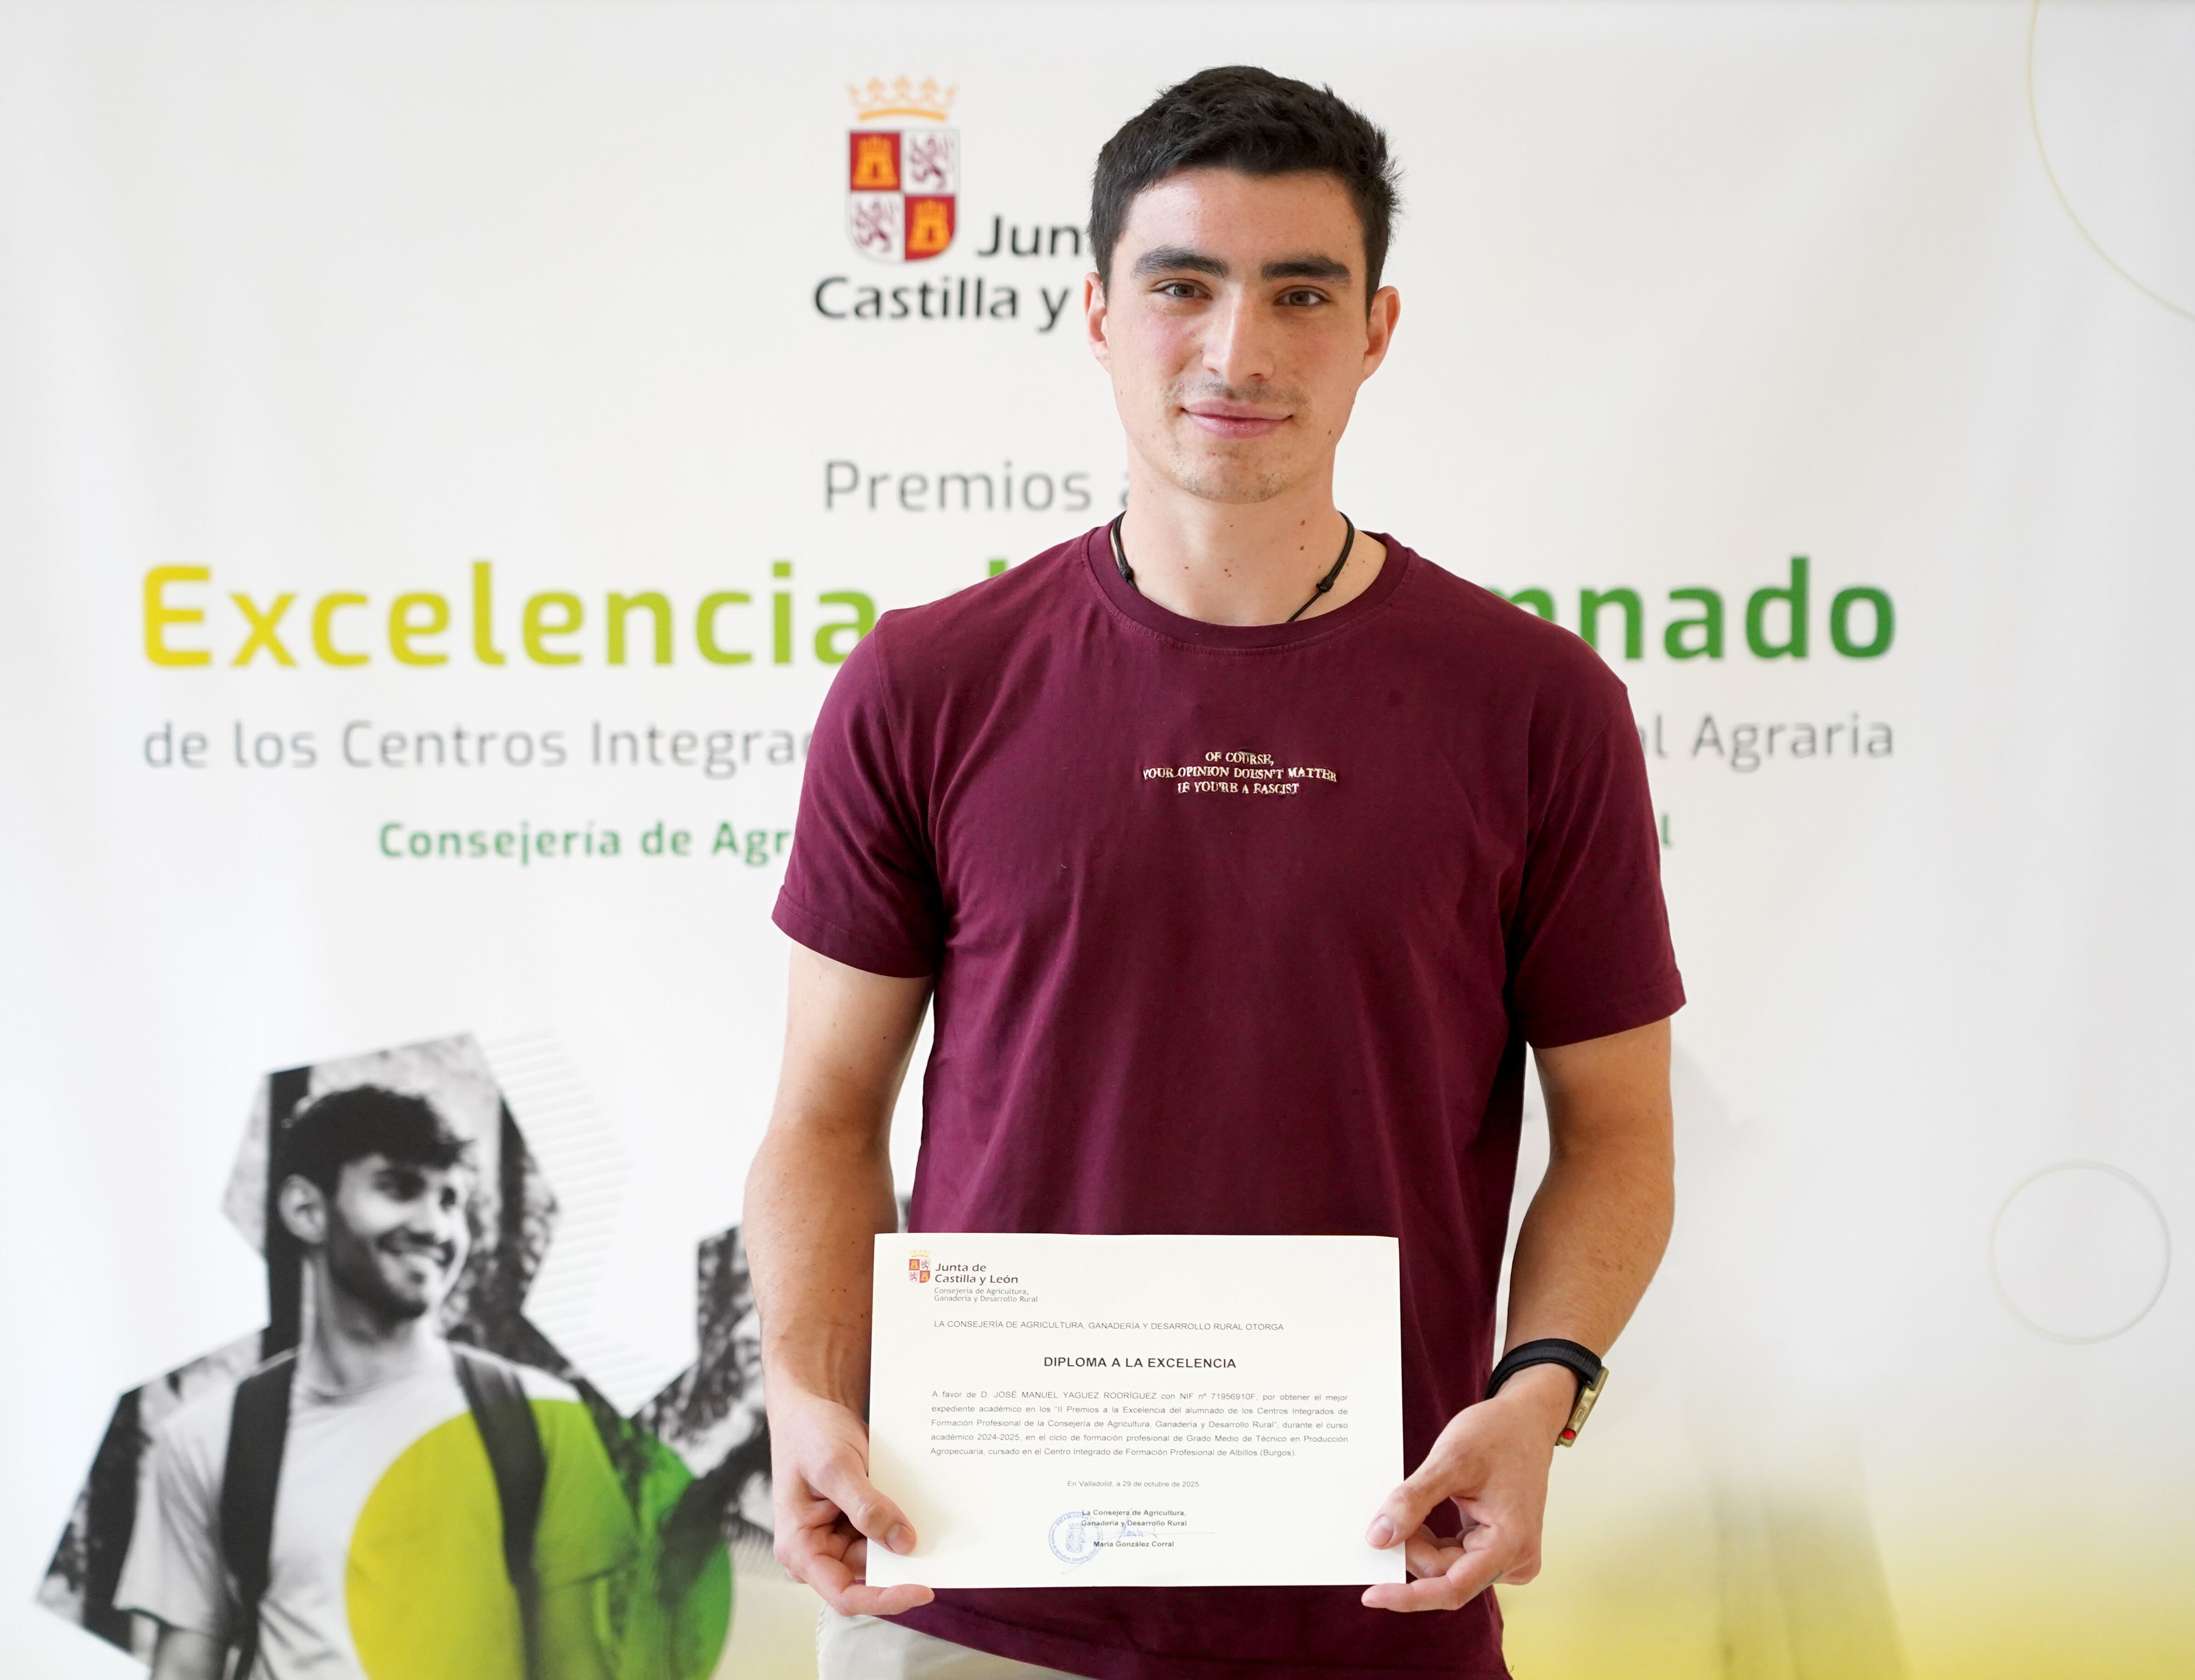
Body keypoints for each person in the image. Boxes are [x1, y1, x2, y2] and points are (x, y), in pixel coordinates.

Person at [749, 64, 1681, 1680]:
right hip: (966, 1605)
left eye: (1299, 293)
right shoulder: (928, 683)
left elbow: (1617, 1133)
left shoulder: (1537, 707)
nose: (1237, 350)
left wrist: (1542, 1389)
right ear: (1098, 317)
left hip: (1381, 1598)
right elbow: (826, 1116)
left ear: (1376, 330)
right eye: (1180, 285)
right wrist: (804, 1391)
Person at [118, 1085, 638, 1679]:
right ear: (306, 1211)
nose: (436, 1226)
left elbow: (579, 1665)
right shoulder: (210, 1441)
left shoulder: (540, 1420)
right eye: (399, 1189)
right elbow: (185, 1667)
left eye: (451, 1201)